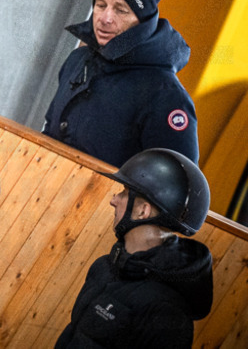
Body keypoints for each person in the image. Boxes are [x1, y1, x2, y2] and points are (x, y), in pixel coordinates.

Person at [43, 0, 199, 167]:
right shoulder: (77, 61)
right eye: (100, 5)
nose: (105, 18)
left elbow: (173, 185)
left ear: (143, 22)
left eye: (121, 10)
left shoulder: (165, 95)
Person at [56, 148, 213, 347]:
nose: (114, 200)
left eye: (123, 193)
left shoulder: (167, 313)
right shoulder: (103, 267)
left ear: (142, 211)